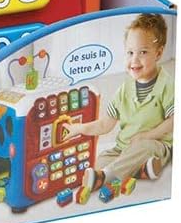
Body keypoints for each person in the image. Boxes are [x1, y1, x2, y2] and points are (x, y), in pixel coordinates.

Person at [67, 13, 173, 189]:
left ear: (159, 53)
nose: (134, 60)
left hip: (155, 145)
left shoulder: (166, 84)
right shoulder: (124, 90)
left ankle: (106, 176)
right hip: (124, 147)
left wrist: (146, 136)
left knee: (144, 148)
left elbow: (174, 120)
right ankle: (140, 170)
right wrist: (79, 128)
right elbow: (105, 125)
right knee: (101, 159)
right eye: (130, 52)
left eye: (143, 52)